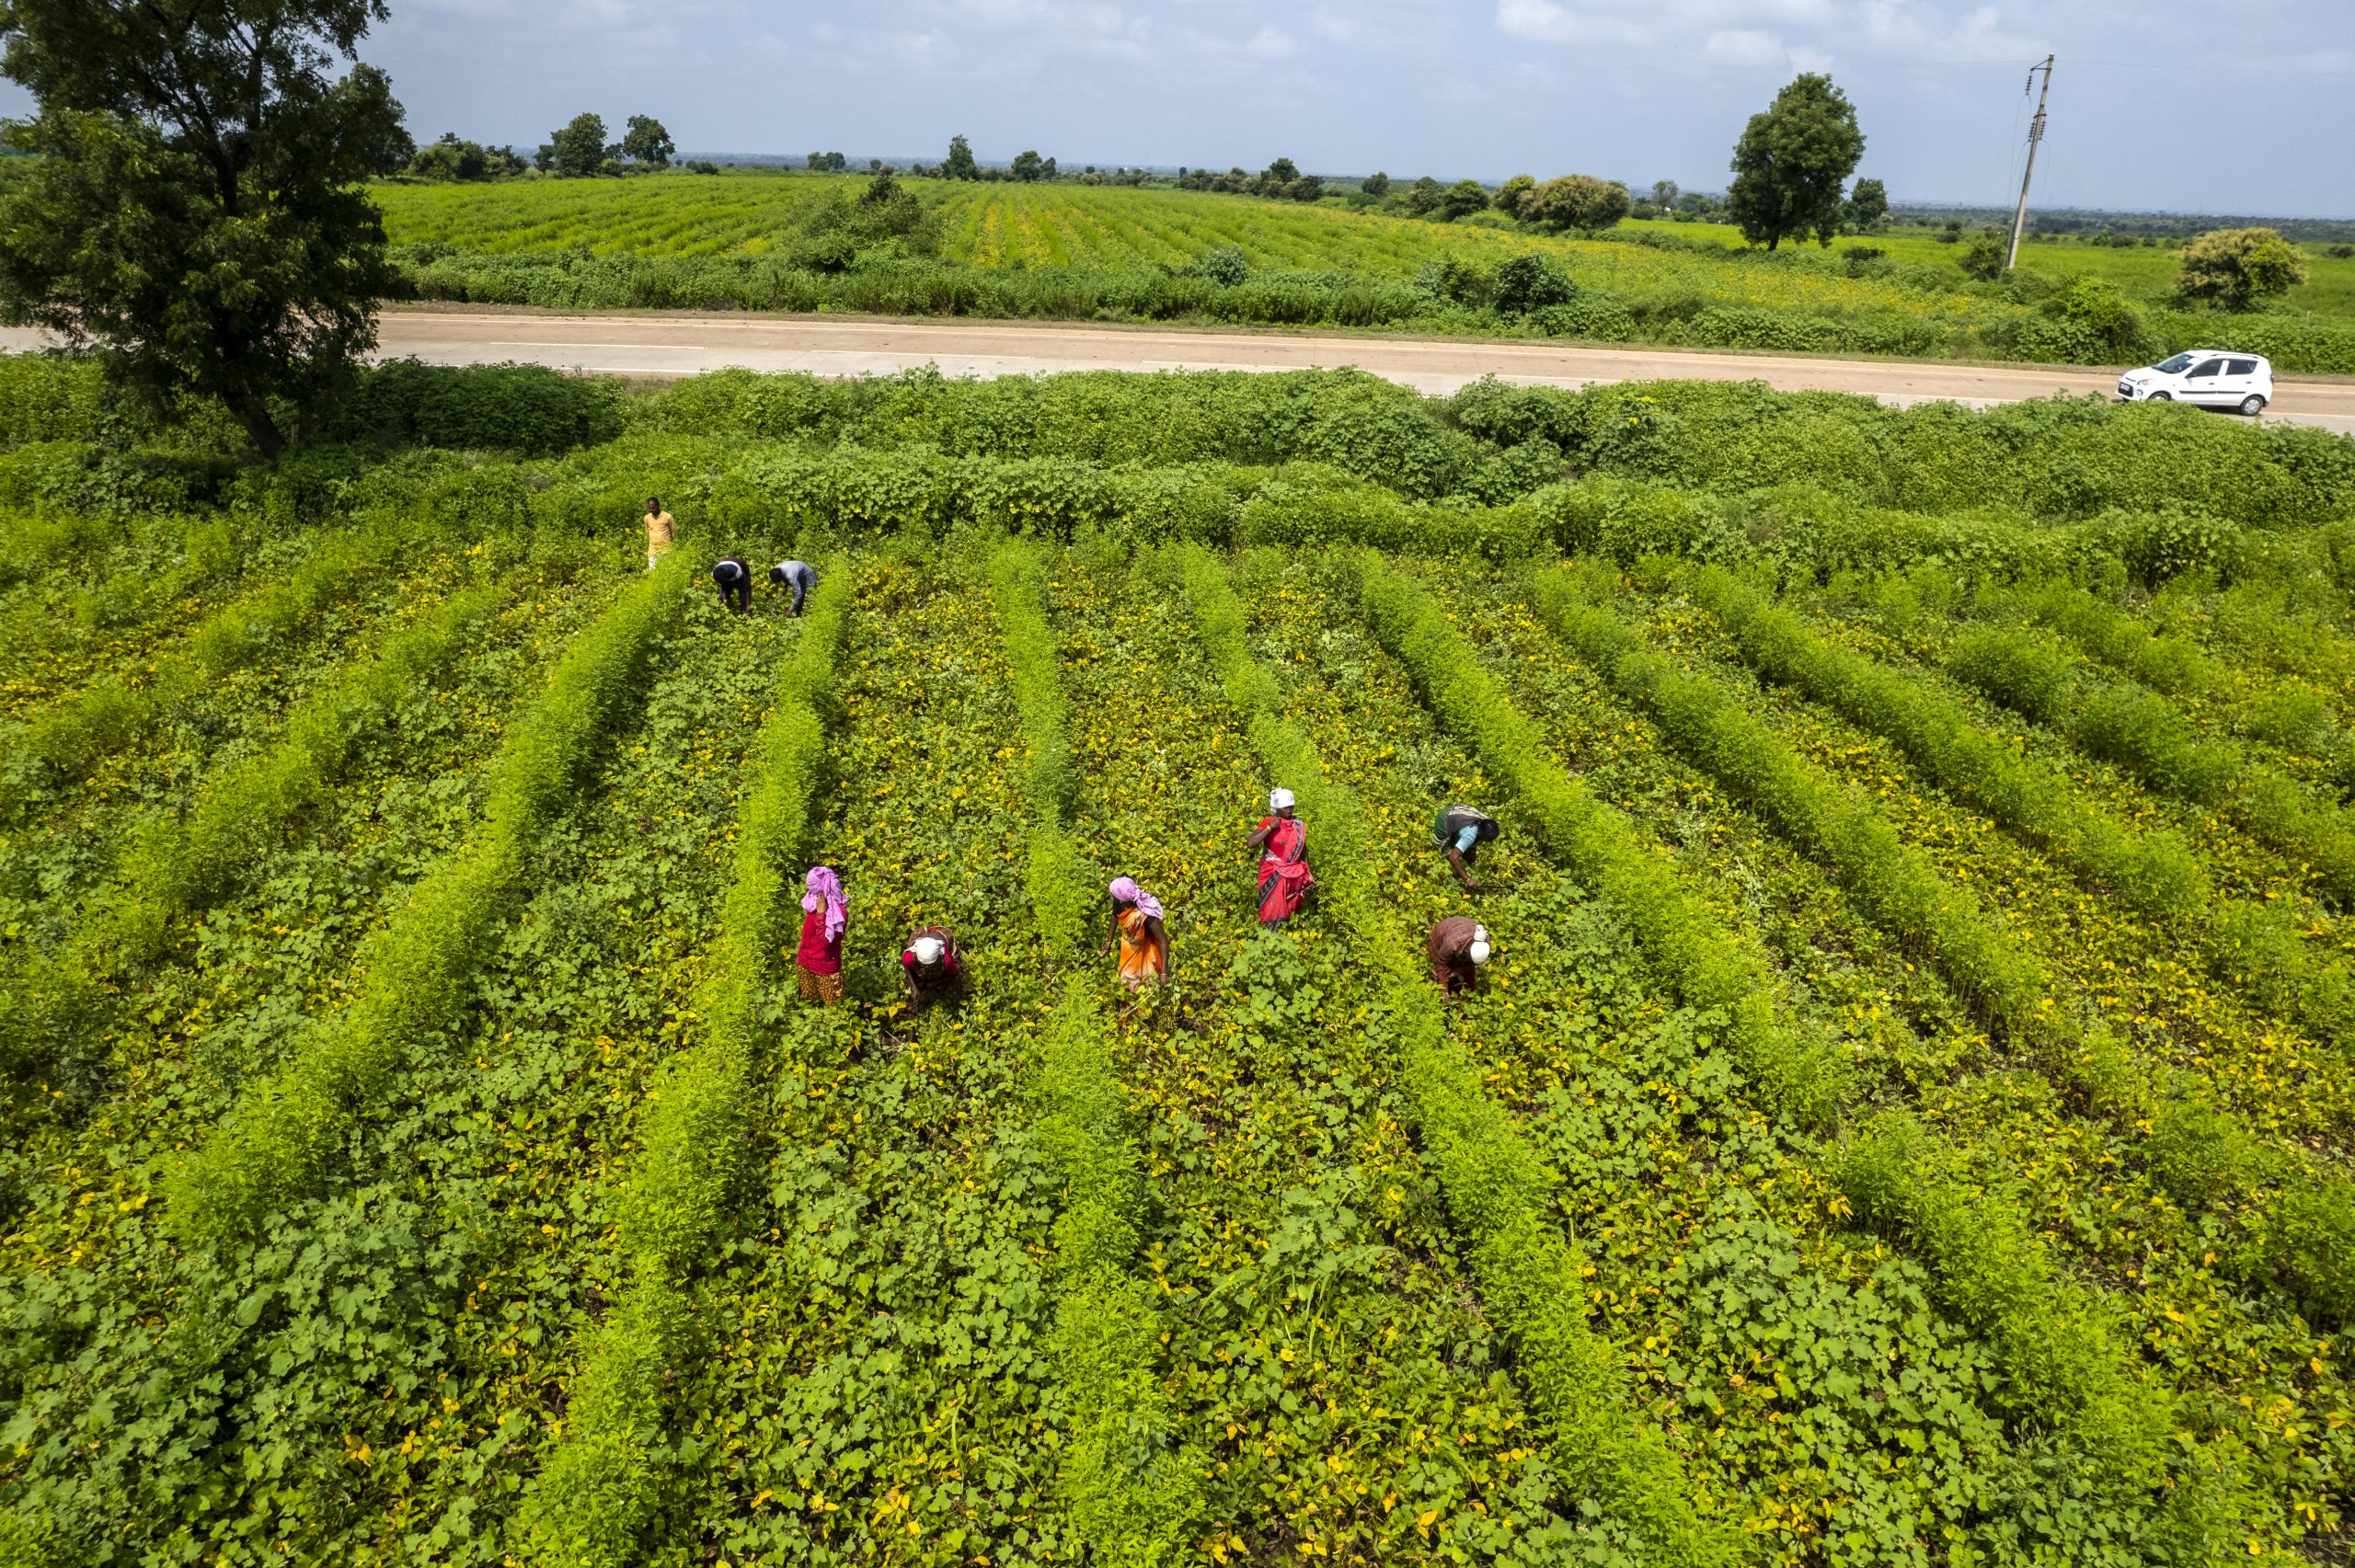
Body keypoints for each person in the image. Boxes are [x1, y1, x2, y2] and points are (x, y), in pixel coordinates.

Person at [1246, 788, 1315, 929]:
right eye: (1285, 807)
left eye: (1291, 806)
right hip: (1273, 873)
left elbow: (1302, 848)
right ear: (1277, 808)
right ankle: (1269, 936)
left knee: (1291, 910)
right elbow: (1251, 843)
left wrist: (1309, 872)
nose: (1289, 810)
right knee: (1272, 909)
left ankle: (1288, 933)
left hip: (1294, 875)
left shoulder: (1298, 825)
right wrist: (1270, 828)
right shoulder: (1270, 821)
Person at [1104, 876, 1169, 988]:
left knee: (1147, 980)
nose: (1113, 898)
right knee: (1127, 980)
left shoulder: (1146, 914)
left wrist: (1164, 972)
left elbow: (1163, 940)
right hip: (1128, 946)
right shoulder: (1119, 903)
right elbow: (1114, 916)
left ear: (1122, 900)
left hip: (1146, 947)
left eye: (1114, 896)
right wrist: (1108, 942)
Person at [796, 866, 846, 1006]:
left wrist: (820, 914)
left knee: (833, 1009)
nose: (811, 892)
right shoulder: (814, 902)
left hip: (825, 968)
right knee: (809, 1003)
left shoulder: (838, 912)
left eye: (813, 888)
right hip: (805, 961)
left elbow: (825, 942)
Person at [1431, 805, 1500, 891]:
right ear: (1482, 834)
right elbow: (1453, 857)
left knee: (1469, 844)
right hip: (1444, 818)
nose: (1490, 842)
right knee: (1441, 847)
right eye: (1488, 839)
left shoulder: (1487, 822)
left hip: (1458, 813)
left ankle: (1462, 847)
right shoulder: (1470, 835)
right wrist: (1468, 879)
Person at [899, 923, 962, 1011]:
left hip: (943, 940)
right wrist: (914, 987)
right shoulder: (909, 956)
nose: (926, 967)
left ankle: (953, 1009)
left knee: (954, 992)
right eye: (923, 965)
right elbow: (907, 966)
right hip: (921, 939)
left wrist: (933, 984)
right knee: (911, 994)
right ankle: (913, 1010)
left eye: (929, 965)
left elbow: (954, 974)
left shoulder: (946, 960)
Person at [1428, 916, 1492, 998]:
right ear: (1466, 951)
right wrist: (1444, 990)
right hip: (1440, 935)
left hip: (1461, 929)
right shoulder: (1452, 944)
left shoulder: (1486, 944)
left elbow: (1471, 965)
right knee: (1441, 974)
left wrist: (1456, 972)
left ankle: (1464, 998)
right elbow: (1442, 964)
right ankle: (1438, 997)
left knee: (1468, 976)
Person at [644, 497, 676, 572]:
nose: (651, 510)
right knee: (652, 572)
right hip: (652, 549)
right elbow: (647, 532)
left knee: (664, 571)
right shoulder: (647, 518)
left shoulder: (668, 517)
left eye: (653, 508)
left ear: (658, 506)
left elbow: (674, 531)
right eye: (650, 508)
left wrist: (671, 543)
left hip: (665, 549)